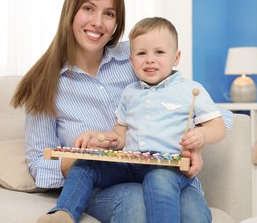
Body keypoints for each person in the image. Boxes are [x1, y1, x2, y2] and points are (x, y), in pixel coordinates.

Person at [11, 0, 233, 223]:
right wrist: (89, 153)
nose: (98, 22)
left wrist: (195, 144)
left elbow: (209, 113)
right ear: (70, 12)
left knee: (188, 206)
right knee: (135, 200)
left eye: (109, 13)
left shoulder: (139, 53)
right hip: (105, 180)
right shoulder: (44, 84)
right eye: (88, 8)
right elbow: (40, 167)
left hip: (165, 170)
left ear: (117, 22)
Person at [39, 17, 227, 223]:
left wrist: (202, 134)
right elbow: (120, 135)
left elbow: (218, 125)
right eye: (141, 53)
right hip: (131, 163)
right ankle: (63, 213)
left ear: (176, 57)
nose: (150, 59)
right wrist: (104, 139)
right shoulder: (129, 92)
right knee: (85, 164)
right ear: (131, 60)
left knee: (160, 179)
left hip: (168, 167)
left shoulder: (189, 90)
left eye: (159, 52)